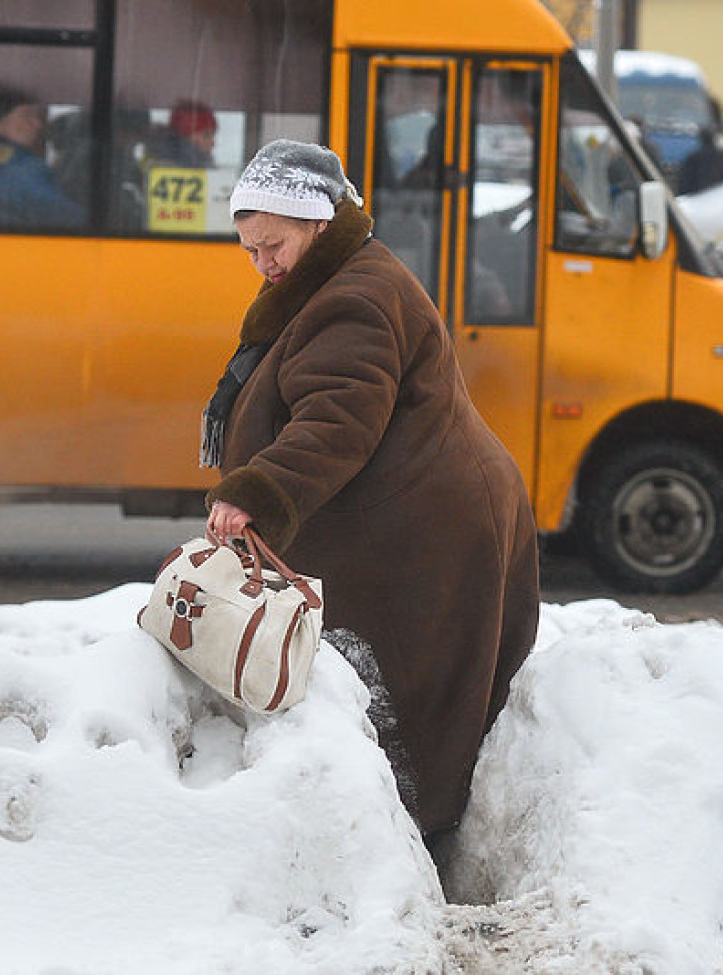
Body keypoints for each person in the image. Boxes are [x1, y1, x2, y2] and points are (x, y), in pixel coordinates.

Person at [201, 140, 539, 841]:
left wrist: (257, 490)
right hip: (400, 519)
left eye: (273, 244)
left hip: (422, 535)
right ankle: (384, 834)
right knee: (382, 692)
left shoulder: (353, 299)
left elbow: (337, 419)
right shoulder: (331, 280)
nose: (262, 263)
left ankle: (402, 842)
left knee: (405, 702)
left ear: (318, 225)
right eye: (249, 249)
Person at [0, 85, 85, 228]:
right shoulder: (20, 169)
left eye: (39, 116)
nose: (38, 124)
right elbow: (74, 221)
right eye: (27, 115)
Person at [147, 99, 217, 168]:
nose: (213, 143)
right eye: (206, 135)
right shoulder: (166, 167)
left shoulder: (156, 162)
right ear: (186, 136)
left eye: (212, 135)